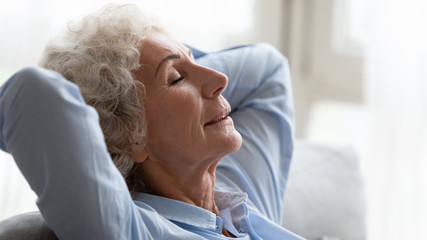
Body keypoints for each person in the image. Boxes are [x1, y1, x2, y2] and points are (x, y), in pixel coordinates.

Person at [0, 4, 303, 240]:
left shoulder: (237, 184)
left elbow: (268, 69)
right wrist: (110, 106)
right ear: (128, 136)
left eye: (197, 63)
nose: (220, 80)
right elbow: (32, 93)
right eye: (176, 79)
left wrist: (174, 63)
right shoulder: (133, 230)